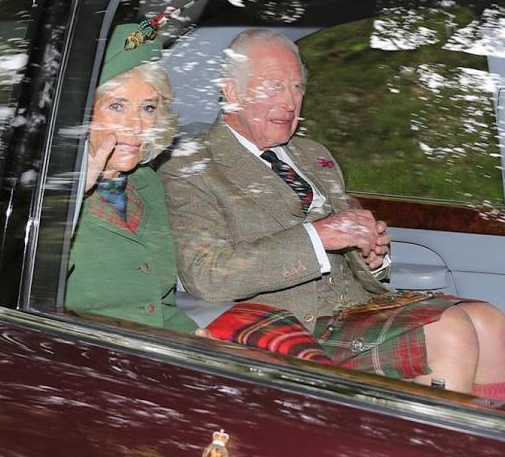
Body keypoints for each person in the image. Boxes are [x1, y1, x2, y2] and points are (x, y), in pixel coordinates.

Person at [161, 29, 505, 403]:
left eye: (297, 87)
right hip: (289, 324)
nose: (290, 102)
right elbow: (207, 274)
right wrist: (319, 237)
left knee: (491, 323)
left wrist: (373, 255)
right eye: (274, 86)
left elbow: (351, 253)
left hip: (355, 309)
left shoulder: (313, 155)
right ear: (232, 92)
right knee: (450, 331)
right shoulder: (193, 167)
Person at [65, 24, 335, 365]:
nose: (136, 125)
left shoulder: (146, 185)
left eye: (148, 108)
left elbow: (160, 304)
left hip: (154, 354)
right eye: (117, 106)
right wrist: (73, 192)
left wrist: (194, 340)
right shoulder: (50, 197)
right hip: (84, 361)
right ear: (82, 113)